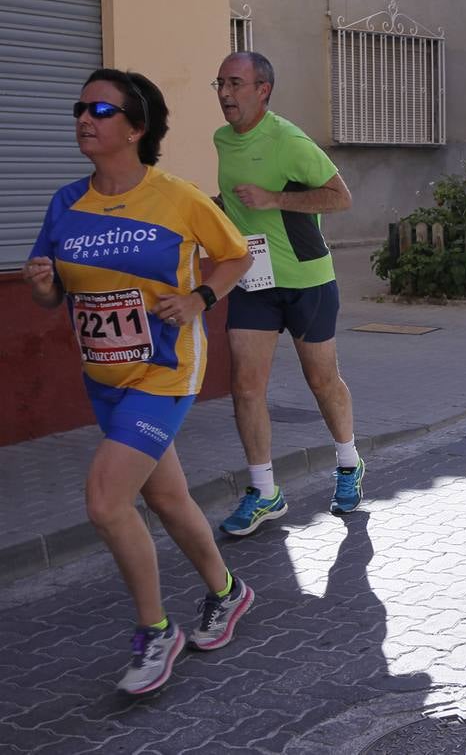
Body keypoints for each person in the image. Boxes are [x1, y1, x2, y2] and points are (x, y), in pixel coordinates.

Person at [24, 69, 256, 694]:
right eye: (80, 108)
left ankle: (156, 632)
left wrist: (200, 297)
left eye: (100, 109)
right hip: (105, 378)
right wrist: (46, 288)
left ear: (136, 127)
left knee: (105, 501)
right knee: (167, 498)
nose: (84, 119)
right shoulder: (66, 203)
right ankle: (228, 592)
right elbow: (54, 295)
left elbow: (237, 254)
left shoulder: (177, 197)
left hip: (164, 371)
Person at [212, 51, 362, 536]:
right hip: (253, 280)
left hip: (306, 280)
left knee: (321, 381)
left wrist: (275, 198)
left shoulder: (289, 140)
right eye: (219, 84)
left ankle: (347, 462)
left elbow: (341, 197)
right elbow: (236, 201)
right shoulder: (221, 140)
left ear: (263, 90)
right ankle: (264, 491)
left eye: (235, 83)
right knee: (245, 386)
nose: (225, 93)